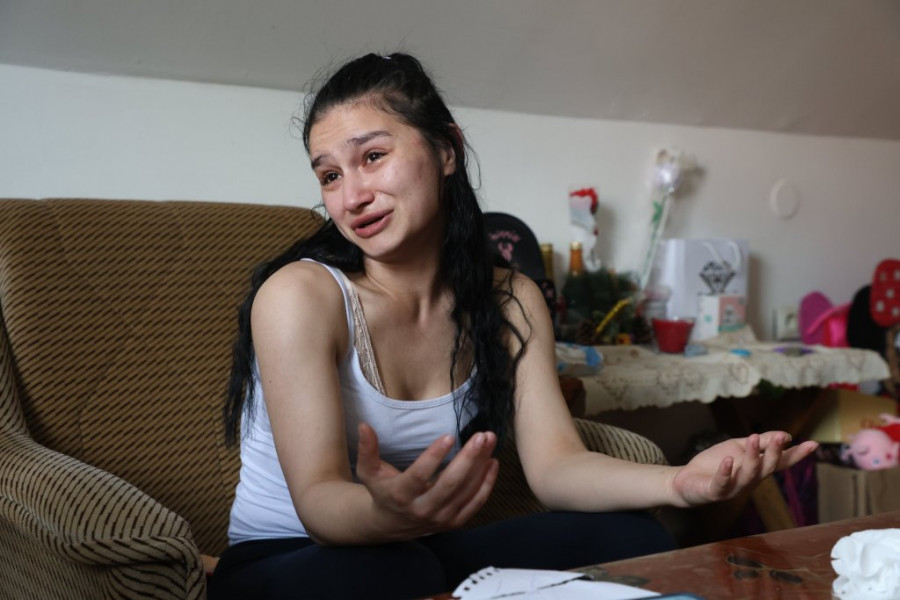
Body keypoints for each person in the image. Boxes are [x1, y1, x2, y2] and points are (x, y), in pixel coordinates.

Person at [208, 52, 818, 600]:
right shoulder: (300, 295)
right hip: (289, 561)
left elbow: (556, 467)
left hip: (414, 549)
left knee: (634, 538)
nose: (352, 197)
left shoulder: (511, 300)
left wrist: (684, 482)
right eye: (330, 175)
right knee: (399, 572)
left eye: (372, 157)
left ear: (446, 150)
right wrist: (384, 513)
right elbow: (318, 501)